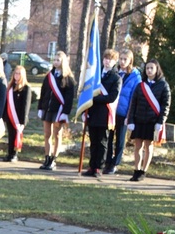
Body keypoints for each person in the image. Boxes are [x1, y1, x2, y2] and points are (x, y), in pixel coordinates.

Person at [126, 58, 171, 181]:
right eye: (147, 68)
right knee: (137, 146)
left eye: (152, 68)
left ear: (157, 70)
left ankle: (143, 171)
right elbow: (133, 103)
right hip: (139, 119)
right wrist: (130, 120)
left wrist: (160, 122)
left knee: (148, 145)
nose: (149, 70)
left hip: (152, 121)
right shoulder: (141, 85)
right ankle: (136, 169)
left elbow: (165, 105)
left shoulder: (163, 85)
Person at [82, 48, 121, 179]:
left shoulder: (116, 78)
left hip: (105, 114)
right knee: (93, 141)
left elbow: (112, 97)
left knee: (102, 142)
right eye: (105, 58)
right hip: (93, 112)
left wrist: (94, 99)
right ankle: (92, 166)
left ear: (115, 61)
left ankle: (99, 167)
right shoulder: (96, 75)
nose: (107, 61)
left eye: (110, 59)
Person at [37, 50, 75, 170]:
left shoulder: (68, 78)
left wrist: (65, 112)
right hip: (47, 108)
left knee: (57, 135)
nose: (56, 62)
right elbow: (43, 92)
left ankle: (54, 159)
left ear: (63, 62)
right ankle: (47, 158)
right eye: (54, 60)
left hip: (58, 110)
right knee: (47, 134)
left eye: (58, 60)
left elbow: (69, 98)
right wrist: (40, 107)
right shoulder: (49, 76)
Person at [105, 48, 140, 175]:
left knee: (119, 139)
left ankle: (115, 163)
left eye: (126, 59)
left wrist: (129, 115)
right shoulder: (114, 73)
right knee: (108, 138)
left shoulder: (135, 76)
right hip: (111, 110)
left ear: (130, 61)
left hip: (124, 112)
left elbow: (134, 97)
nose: (123, 61)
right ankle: (107, 161)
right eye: (121, 59)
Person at [2, 64, 31, 162]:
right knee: (11, 135)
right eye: (15, 73)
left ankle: (14, 154)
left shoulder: (26, 88)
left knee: (16, 135)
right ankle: (9, 153)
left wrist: (23, 121)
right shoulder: (10, 87)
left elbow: (25, 106)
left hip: (18, 117)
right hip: (10, 116)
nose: (17, 75)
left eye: (19, 74)